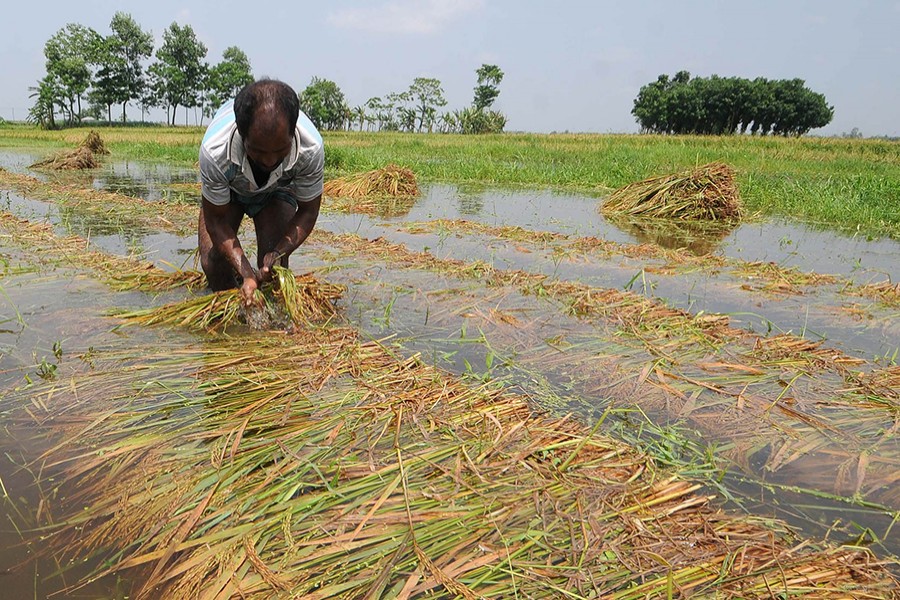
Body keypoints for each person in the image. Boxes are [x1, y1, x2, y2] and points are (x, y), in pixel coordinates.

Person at [198, 78, 323, 305]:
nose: (270, 160)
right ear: (242, 136)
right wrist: (245, 272)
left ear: (293, 132)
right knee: (214, 263)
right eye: (258, 150)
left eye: (280, 150)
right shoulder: (215, 151)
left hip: (278, 189)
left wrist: (278, 252)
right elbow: (215, 221)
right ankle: (230, 322)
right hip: (232, 187)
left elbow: (309, 211)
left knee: (273, 271)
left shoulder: (310, 148)